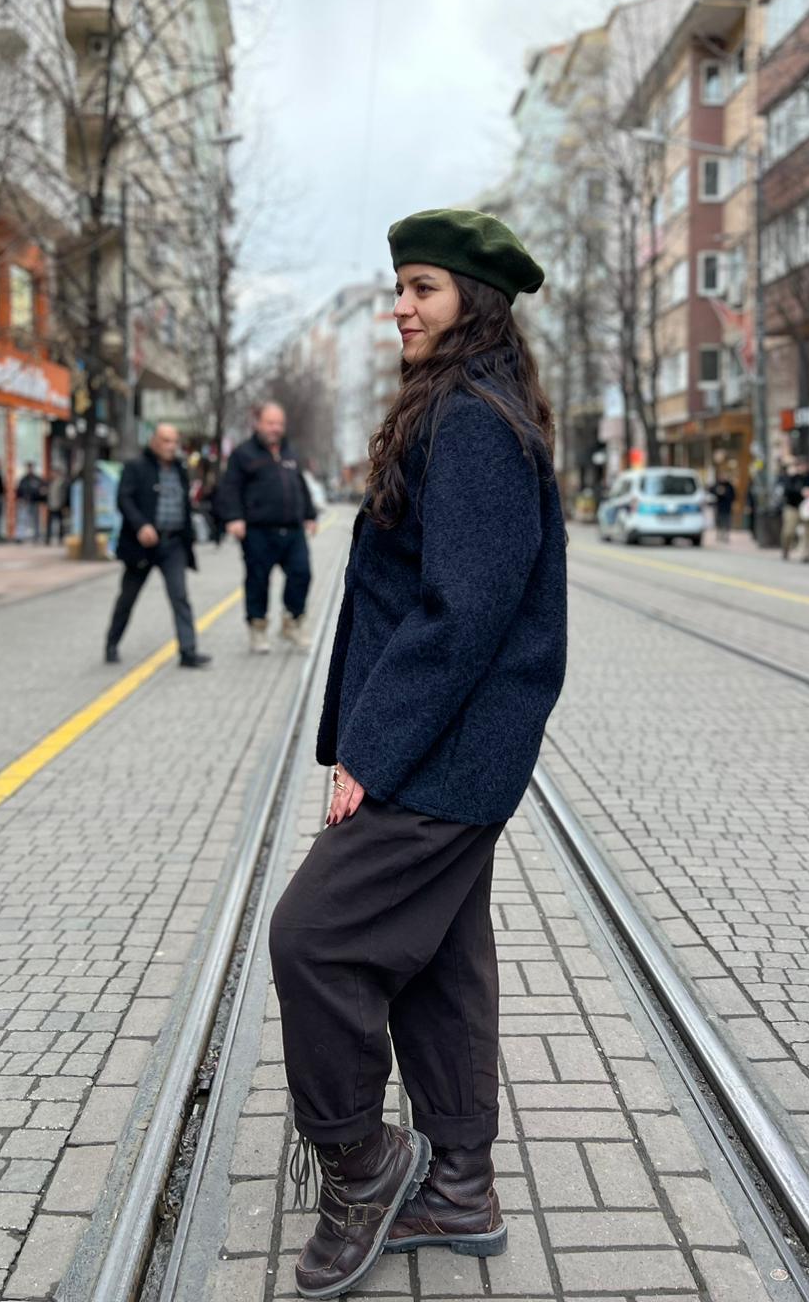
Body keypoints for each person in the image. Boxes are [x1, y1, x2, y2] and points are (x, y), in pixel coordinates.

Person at [268, 208, 567, 1299]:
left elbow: (461, 613)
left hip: (446, 750)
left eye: (422, 288)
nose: (400, 305)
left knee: (311, 937)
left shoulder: (473, 422)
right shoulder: (458, 404)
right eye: (398, 286)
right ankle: (461, 1187)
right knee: (441, 963)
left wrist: (372, 753)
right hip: (454, 744)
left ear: (472, 302)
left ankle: (363, 1163)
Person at [104, 422, 211, 668]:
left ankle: (188, 651)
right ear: (153, 441)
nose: (171, 446)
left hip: (173, 545)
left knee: (180, 596)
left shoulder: (180, 469)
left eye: (174, 441)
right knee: (128, 598)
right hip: (142, 546)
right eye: (166, 440)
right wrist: (141, 525)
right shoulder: (136, 467)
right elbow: (124, 499)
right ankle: (112, 643)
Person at [217, 402, 318, 654]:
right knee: (258, 580)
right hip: (258, 531)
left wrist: (310, 515)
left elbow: (300, 486)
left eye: (280, 424)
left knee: (302, 573)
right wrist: (234, 518)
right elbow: (230, 488)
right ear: (258, 424)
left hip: (293, 530)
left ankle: (292, 621)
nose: (276, 428)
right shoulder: (243, 454)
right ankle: (258, 627)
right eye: (270, 423)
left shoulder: (290, 452)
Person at [780, 457, 809, 561]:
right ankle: (785, 549)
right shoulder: (792, 477)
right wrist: (801, 491)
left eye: (804, 465)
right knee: (788, 531)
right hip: (793, 507)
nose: (802, 468)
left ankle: (807, 554)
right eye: (800, 465)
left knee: (808, 532)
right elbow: (787, 490)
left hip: (808, 508)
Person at [15, 462, 45, 543]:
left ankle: (36, 536)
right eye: (28, 468)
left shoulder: (37, 479)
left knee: (36, 520)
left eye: (31, 467)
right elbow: (19, 491)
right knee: (23, 519)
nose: (29, 469)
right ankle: (20, 537)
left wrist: (41, 498)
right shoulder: (23, 479)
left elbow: (42, 490)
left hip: (35, 502)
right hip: (25, 502)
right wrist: (20, 499)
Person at [709, 471, 736, 542]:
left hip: (727, 507)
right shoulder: (717, 485)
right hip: (718, 507)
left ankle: (726, 535)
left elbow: (733, 496)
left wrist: (725, 493)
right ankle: (720, 534)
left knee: (727, 521)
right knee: (719, 521)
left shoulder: (729, 486)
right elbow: (711, 492)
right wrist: (717, 491)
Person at [45, 467, 68, 546]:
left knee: (60, 523)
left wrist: (64, 505)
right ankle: (48, 539)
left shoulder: (62, 483)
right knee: (49, 523)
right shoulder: (50, 482)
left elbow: (65, 495)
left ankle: (60, 538)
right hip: (51, 505)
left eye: (54, 473)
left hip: (59, 505)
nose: (53, 474)